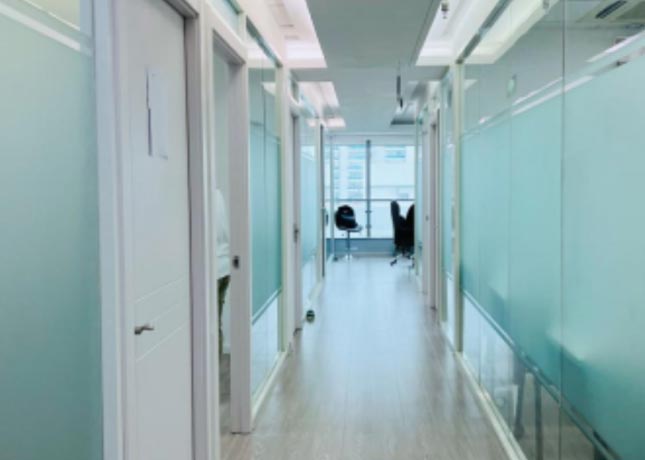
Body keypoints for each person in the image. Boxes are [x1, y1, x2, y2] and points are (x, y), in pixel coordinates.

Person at [215, 189, 231, 355]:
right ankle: (216, 366)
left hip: (214, 269)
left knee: (210, 327)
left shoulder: (204, 196)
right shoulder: (218, 194)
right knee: (215, 324)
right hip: (225, 266)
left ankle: (213, 368)